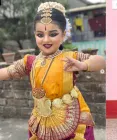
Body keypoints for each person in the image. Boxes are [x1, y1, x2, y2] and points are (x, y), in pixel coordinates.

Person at [0, 2, 105, 140]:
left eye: (53, 34)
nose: (46, 39)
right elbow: (7, 71)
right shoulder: (30, 61)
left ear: (64, 34)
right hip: (42, 119)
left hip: (72, 117)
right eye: (40, 34)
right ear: (34, 35)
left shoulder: (70, 57)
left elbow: (101, 61)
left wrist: (83, 65)